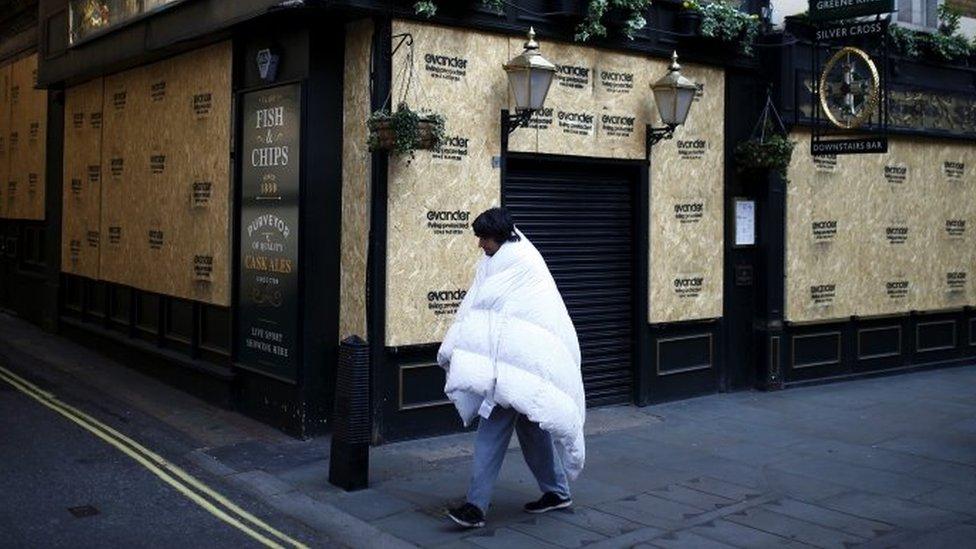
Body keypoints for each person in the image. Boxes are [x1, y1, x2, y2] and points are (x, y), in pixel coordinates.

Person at [437, 207, 586, 529]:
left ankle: (475, 508)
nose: (480, 245)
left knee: (489, 434)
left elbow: (523, 319)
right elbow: (481, 308)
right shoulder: (496, 261)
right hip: (509, 365)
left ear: (501, 236)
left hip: (515, 370)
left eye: (484, 239)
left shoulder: (522, 263)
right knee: (533, 432)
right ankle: (557, 493)